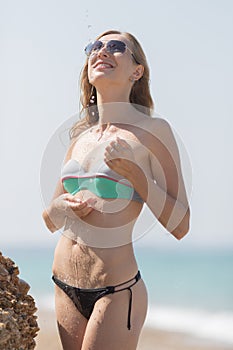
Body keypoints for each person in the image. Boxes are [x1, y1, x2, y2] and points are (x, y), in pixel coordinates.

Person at [42, 29, 190, 350]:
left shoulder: (153, 131)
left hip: (115, 291)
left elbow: (181, 225)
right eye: (95, 46)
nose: (102, 50)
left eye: (116, 46)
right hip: (64, 286)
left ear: (137, 71)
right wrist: (62, 208)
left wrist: (136, 176)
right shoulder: (80, 137)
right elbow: (49, 217)